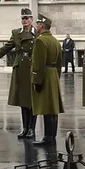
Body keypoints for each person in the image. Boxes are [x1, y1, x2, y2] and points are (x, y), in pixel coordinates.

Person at [0, 7, 36, 138]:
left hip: (32, 67)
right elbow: (5, 49)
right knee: (22, 100)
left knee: (31, 100)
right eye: (23, 18)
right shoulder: (16, 33)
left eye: (27, 18)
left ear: (32, 20)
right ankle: (25, 127)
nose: (25, 20)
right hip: (20, 67)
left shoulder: (37, 33)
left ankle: (32, 128)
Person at [30, 14, 64, 147]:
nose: (36, 26)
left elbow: (38, 63)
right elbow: (60, 62)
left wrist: (36, 80)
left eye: (38, 24)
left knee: (46, 108)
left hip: (44, 75)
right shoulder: (55, 41)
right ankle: (52, 136)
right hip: (53, 74)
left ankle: (47, 137)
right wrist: (56, 77)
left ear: (42, 25)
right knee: (53, 108)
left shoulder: (40, 41)